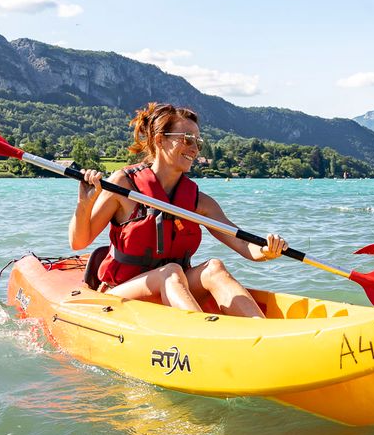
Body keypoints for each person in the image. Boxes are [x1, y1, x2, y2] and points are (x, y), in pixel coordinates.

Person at [70, 102, 287, 317]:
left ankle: (260, 331)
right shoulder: (123, 185)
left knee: (214, 268)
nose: (194, 148)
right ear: (160, 139)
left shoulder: (199, 202)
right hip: (122, 295)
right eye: (187, 139)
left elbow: (242, 243)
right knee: (171, 272)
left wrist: (267, 250)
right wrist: (85, 203)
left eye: (198, 142)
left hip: (174, 287)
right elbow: (79, 242)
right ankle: (200, 336)